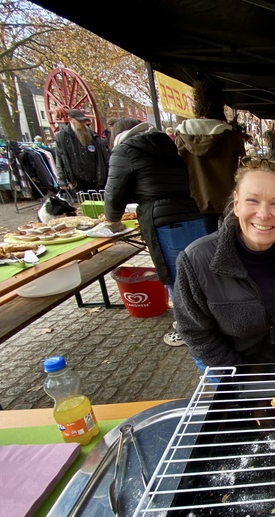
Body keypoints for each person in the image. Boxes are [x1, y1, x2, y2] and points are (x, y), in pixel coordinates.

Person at [172, 157, 275, 370]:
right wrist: (242, 380)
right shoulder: (196, 260)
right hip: (225, 364)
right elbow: (195, 332)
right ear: (236, 204)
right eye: (252, 200)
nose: (264, 214)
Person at [103, 118, 212, 346]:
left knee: (177, 281)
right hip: (192, 214)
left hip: (165, 223)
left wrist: (112, 219)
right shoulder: (166, 145)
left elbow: (114, 193)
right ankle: (202, 323)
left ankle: (190, 331)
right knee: (199, 276)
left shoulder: (124, 151)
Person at [175, 79, 247, 233]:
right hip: (227, 204)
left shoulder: (181, 136)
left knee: (201, 251)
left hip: (194, 204)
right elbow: (244, 172)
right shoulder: (231, 137)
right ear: (220, 104)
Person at [54, 108, 109, 198]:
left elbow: (105, 157)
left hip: (97, 178)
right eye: (80, 122)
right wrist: (62, 180)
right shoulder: (62, 137)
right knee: (86, 205)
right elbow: (60, 159)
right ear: (71, 120)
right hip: (78, 181)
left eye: (84, 121)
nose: (83, 124)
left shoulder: (93, 135)